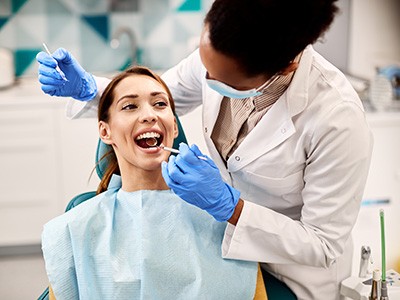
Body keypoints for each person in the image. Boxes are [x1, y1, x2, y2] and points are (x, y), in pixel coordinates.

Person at [36, 0, 374, 299]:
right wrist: (89, 90)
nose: (204, 75)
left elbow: (323, 244)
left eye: (220, 79)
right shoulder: (75, 229)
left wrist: (231, 208)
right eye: (203, 61)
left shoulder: (335, 119)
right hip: (225, 241)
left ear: (285, 67)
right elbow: (155, 94)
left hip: (291, 270)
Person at [41, 66, 265, 300]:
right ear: (105, 132)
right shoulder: (73, 231)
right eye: (129, 106)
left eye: (160, 104)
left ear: (174, 127)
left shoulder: (226, 222)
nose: (150, 115)